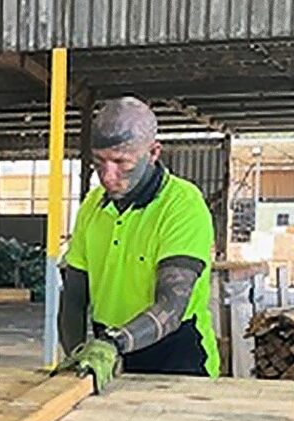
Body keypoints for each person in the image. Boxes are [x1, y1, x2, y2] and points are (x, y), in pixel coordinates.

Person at [59, 96, 220, 390]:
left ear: (153, 152)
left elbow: (172, 305)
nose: (108, 177)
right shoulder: (92, 207)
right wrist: (76, 351)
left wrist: (114, 343)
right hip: (109, 355)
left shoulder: (182, 205)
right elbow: (73, 297)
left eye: (122, 163)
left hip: (177, 358)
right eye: (99, 162)